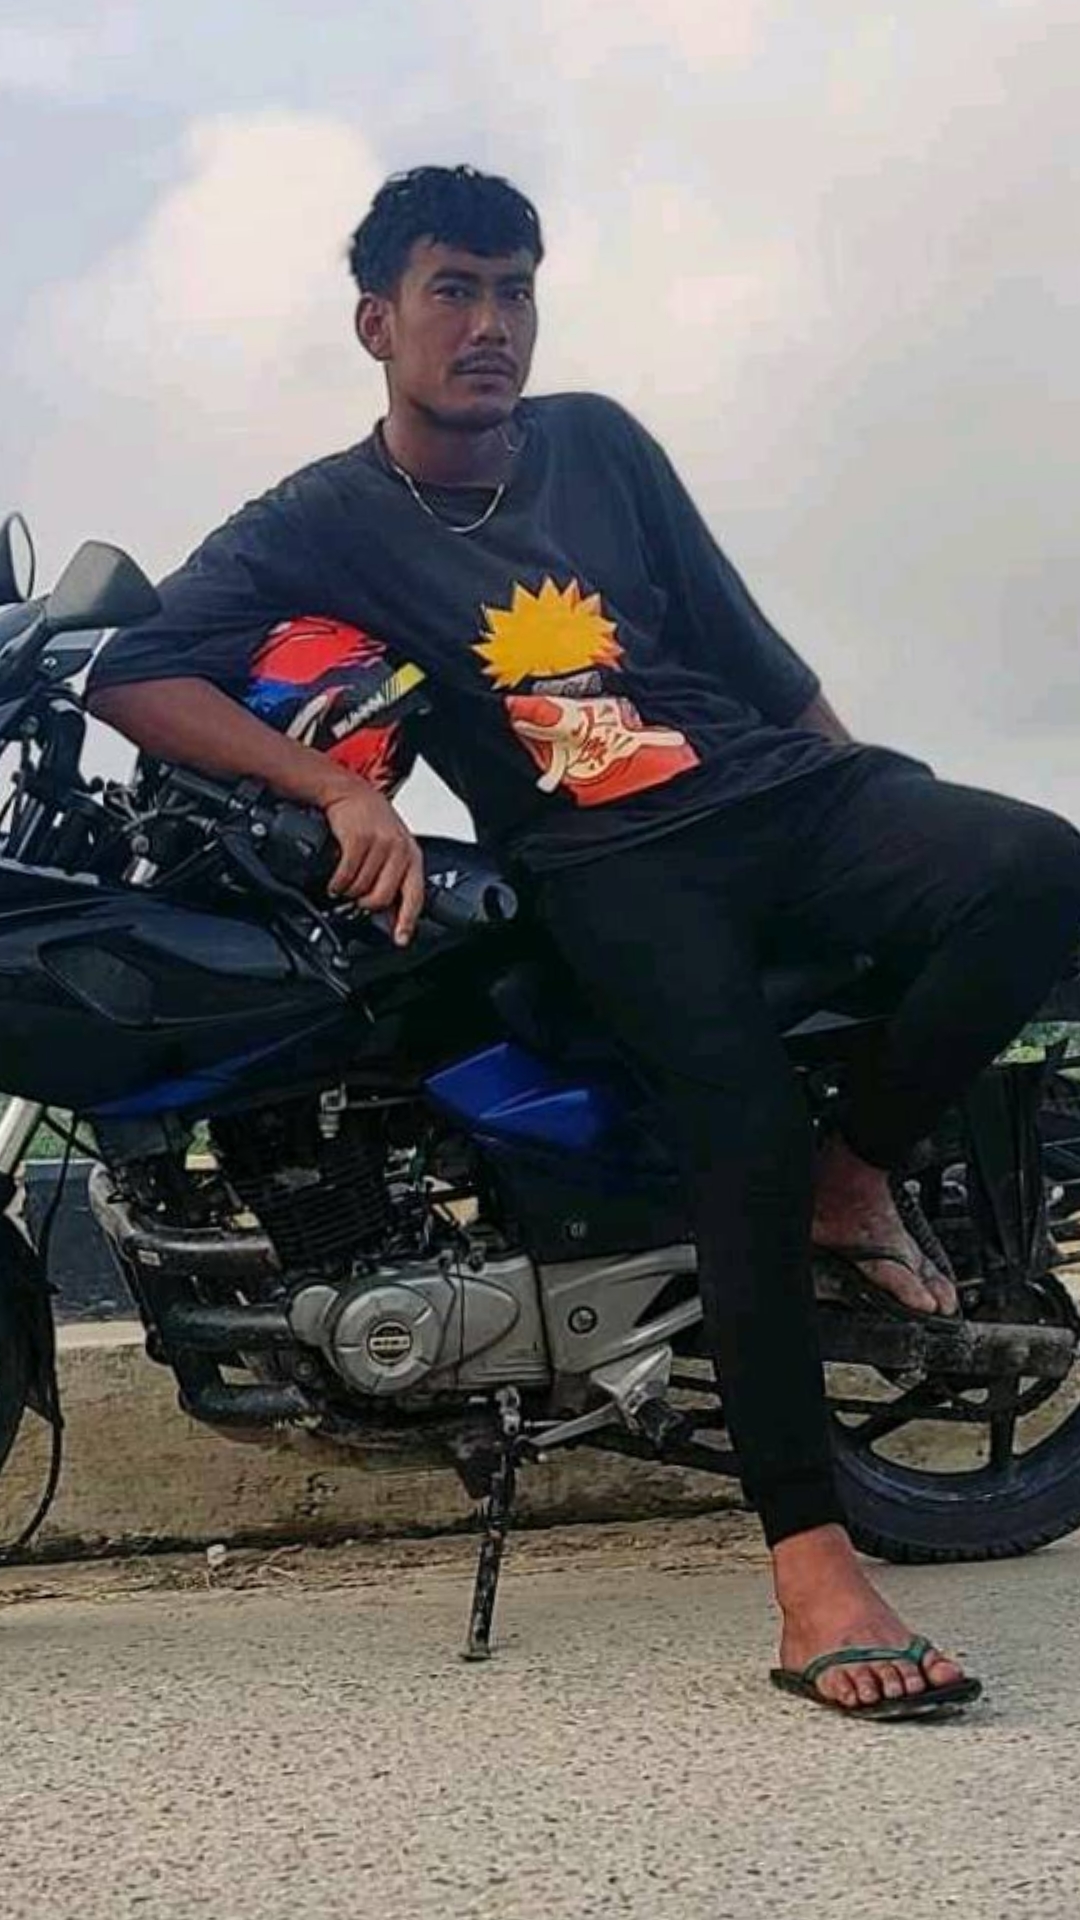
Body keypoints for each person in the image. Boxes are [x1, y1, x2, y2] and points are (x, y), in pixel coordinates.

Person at [87, 163, 1080, 1718]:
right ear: (378, 323)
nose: (491, 324)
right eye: (455, 292)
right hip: (608, 863)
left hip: (774, 792)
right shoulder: (328, 516)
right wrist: (337, 790)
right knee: (737, 1131)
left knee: (1037, 867)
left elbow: (751, 650)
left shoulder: (600, 442)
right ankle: (816, 1576)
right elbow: (135, 673)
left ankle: (862, 1169)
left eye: (515, 291)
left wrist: (888, 815)